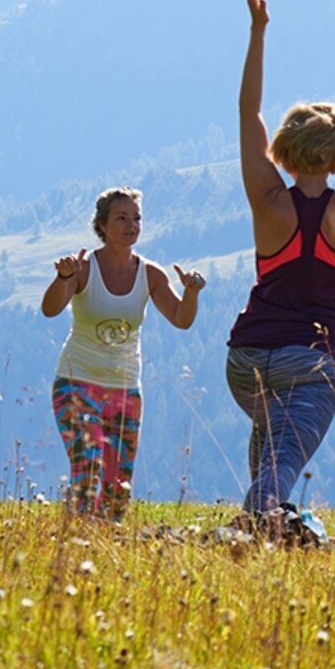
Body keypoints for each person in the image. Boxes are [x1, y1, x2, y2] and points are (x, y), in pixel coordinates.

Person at [225, 0, 335, 547]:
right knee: (283, 462)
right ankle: (249, 530)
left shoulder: (268, 202)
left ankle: (275, 534)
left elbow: (247, 113)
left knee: (274, 442)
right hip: (310, 365)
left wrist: (258, 30)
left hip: (245, 362)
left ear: (284, 151)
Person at [39, 187, 206, 520]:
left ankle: (105, 545)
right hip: (76, 384)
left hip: (126, 390)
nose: (131, 225)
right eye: (121, 218)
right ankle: (76, 538)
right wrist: (64, 277)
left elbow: (181, 319)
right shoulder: (84, 269)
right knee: (88, 464)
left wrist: (191, 292)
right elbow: (50, 308)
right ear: (102, 225)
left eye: (136, 218)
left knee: (118, 485)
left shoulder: (150, 274)